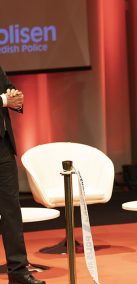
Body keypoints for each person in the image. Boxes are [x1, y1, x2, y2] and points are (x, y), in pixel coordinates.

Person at [0, 67, 45, 284]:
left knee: (11, 212)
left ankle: (18, 271)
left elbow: (8, 89)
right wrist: (3, 100)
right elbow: (3, 98)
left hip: (3, 146)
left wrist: (16, 96)